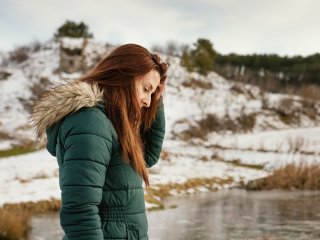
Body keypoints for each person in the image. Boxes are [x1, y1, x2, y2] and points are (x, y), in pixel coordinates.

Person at [31, 44, 169, 240]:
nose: (147, 101)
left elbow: (148, 157)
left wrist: (158, 101)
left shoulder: (114, 121)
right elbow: (80, 210)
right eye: (146, 89)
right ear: (123, 76)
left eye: (152, 93)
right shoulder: (90, 122)